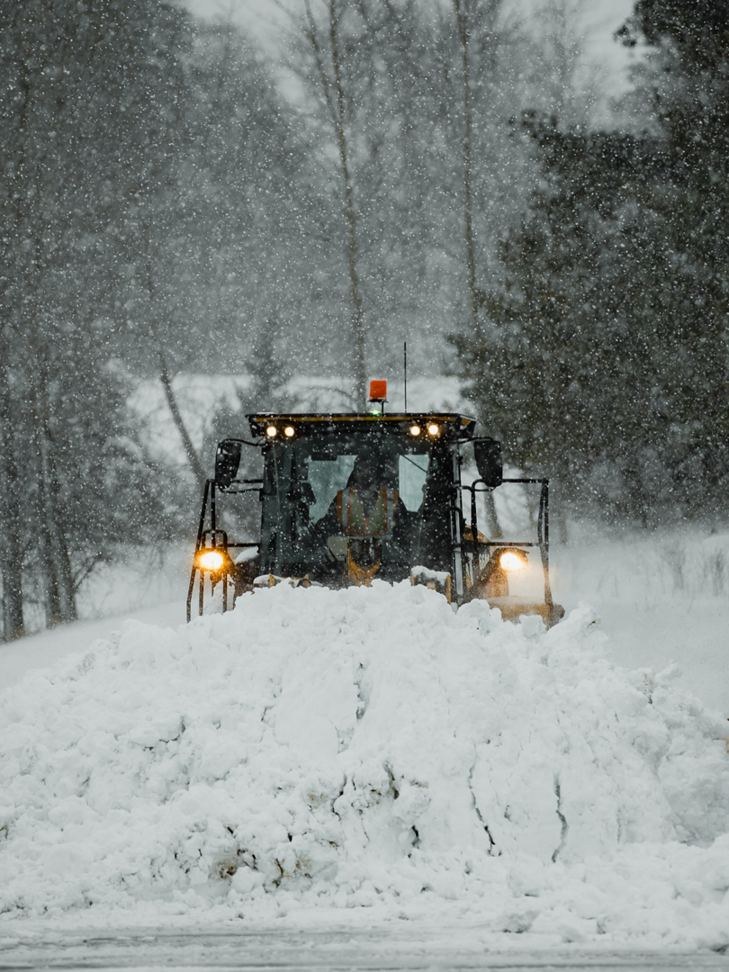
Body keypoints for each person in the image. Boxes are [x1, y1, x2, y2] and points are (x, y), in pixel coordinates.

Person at [314, 452, 411, 582]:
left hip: (389, 571)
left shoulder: (392, 499)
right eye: (360, 469)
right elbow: (328, 528)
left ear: (376, 472)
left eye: (369, 469)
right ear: (354, 473)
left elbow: (406, 533)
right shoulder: (341, 500)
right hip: (343, 569)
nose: (365, 474)